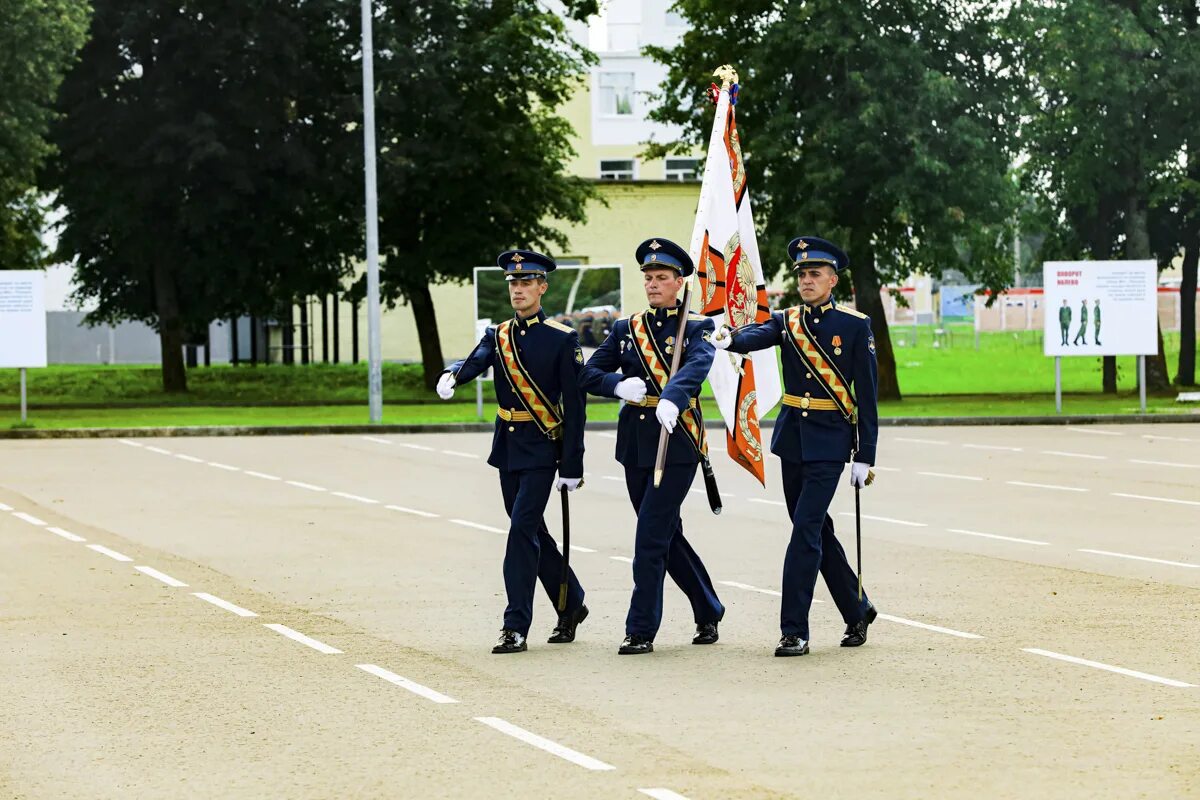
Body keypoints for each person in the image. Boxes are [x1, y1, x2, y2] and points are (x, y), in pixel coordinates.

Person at [711, 236, 878, 657]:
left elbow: (870, 397)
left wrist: (866, 455)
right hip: (793, 442)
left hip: (830, 443)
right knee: (816, 529)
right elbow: (759, 334)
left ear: (832, 280)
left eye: (814, 274)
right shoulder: (788, 321)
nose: (806, 280)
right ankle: (857, 609)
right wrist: (729, 339)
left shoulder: (855, 325)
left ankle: (794, 630)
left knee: (804, 533)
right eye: (802, 274)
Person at [436, 250, 588, 654]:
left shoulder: (562, 338)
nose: (518, 290)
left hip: (542, 447)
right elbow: (478, 359)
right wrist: (455, 375)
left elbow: (575, 406)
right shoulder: (497, 334)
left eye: (526, 283)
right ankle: (571, 601)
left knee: (521, 530)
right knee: (534, 531)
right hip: (508, 447)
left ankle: (515, 625)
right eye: (513, 284)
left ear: (542, 287)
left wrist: (572, 463)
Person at [579, 237, 725, 655]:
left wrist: (672, 398)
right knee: (664, 534)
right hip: (636, 444)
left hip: (676, 442)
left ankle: (640, 628)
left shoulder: (698, 327)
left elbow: (697, 366)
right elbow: (588, 374)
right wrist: (617, 385)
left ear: (679, 282)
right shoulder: (628, 328)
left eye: (662, 277)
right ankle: (708, 607)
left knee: (649, 538)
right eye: (649, 277)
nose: (654, 284)